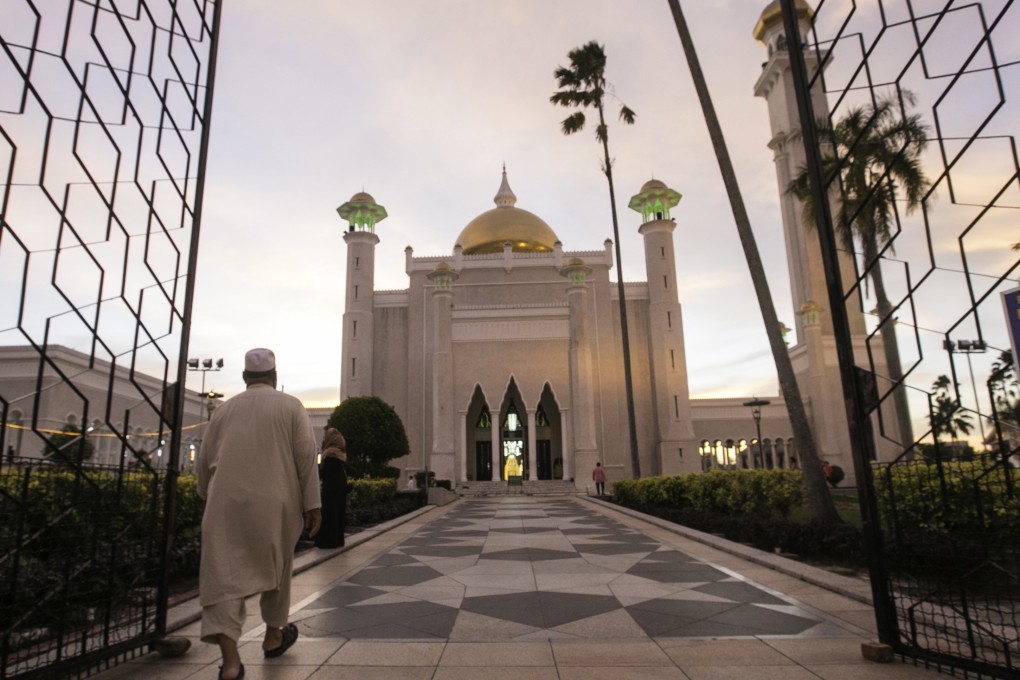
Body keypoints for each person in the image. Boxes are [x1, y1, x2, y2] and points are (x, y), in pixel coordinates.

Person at [197, 348, 321, 680]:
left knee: (222, 578)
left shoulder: (223, 411)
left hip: (225, 503)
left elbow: (203, 464)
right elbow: (306, 456)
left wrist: (205, 498)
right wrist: (313, 504)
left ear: (244, 378)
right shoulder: (290, 406)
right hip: (276, 504)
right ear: (275, 376)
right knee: (276, 570)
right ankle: (273, 635)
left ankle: (231, 662)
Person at [315, 428, 349, 549]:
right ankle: (338, 540)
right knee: (338, 514)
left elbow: (325, 473)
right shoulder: (341, 454)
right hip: (341, 488)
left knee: (329, 515)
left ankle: (328, 542)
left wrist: (318, 468)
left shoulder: (330, 453)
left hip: (330, 489)